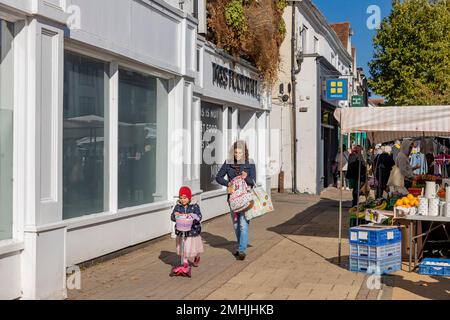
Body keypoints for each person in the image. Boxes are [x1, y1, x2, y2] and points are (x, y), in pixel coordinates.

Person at [216, 141, 256, 261]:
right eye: (236, 152)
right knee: (236, 225)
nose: (238, 155)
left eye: (240, 152)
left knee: (243, 224)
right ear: (232, 152)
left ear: (245, 152)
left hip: (246, 199)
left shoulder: (250, 163)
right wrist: (228, 183)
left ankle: (242, 250)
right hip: (232, 198)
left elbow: (253, 181)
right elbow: (218, 177)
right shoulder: (228, 163)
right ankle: (240, 246)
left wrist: (246, 177)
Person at [171, 186, 204, 268]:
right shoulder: (178, 207)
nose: (183, 200)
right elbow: (172, 217)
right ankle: (185, 261)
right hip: (181, 231)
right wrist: (176, 215)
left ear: (189, 198)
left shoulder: (194, 206)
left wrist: (192, 215)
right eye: (181, 198)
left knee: (194, 248)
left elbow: (199, 217)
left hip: (192, 231)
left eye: (185, 198)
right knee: (184, 247)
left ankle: (197, 257)